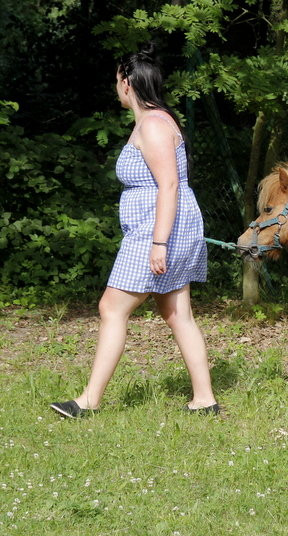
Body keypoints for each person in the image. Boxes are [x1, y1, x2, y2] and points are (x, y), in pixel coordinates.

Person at [50, 44, 218, 418]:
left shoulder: (154, 126)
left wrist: (159, 243)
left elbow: (169, 186)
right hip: (164, 226)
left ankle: (88, 401)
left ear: (127, 83)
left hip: (156, 230)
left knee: (111, 307)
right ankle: (204, 399)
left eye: (116, 80)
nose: (116, 87)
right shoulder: (153, 121)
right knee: (177, 312)